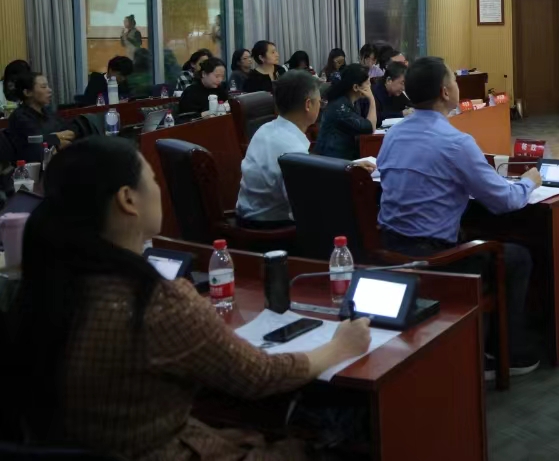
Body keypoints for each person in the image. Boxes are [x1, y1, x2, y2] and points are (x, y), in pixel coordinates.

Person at [8, 136, 371, 459]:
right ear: (128, 199)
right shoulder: (154, 301)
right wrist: (339, 347)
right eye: (152, 179)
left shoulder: (44, 287)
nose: (157, 188)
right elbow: (260, 376)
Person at [377, 56, 543, 376]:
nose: (456, 85)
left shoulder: (393, 135)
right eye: (453, 80)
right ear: (445, 92)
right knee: (517, 257)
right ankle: (506, 352)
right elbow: (504, 201)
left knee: (475, 233)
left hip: (388, 249)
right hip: (434, 259)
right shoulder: (456, 142)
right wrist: (528, 182)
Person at [236, 71, 323, 227]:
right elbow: (302, 208)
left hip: (247, 217)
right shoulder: (292, 149)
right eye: (319, 102)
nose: (320, 106)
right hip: (269, 229)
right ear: (308, 105)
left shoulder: (265, 129)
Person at [7, 70, 77, 159]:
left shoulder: (48, 111)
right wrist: (56, 139)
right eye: (43, 87)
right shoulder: (20, 117)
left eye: (48, 86)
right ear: (27, 92)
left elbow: (70, 130)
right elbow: (37, 144)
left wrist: (53, 138)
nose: (50, 90)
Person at [313, 64, 375, 161]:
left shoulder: (349, 101)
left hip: (342, 159)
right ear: (356, 87)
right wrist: (372, 100)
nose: (370, 86)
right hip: (331, 162)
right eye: (367, 83)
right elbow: (370, 127)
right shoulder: (340, 107)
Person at [372, 60, 413, 126]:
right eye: (402, 83)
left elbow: (409, 104)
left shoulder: (397, 93)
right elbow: (376, 116)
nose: (403, 88)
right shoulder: (374, 93)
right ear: (389, 80)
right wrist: (401, 114)